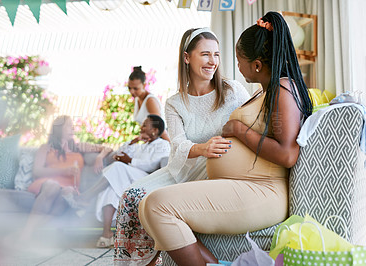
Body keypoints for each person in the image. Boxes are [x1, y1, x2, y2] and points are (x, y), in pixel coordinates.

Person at [138, 11, 313, 266]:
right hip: (245, 186)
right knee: (146, 206)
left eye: (239, 60)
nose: (235, 66)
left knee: (157, 205)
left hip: (263, 192)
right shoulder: (268, 91)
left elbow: (287, 155)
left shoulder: (283, 89)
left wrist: (238, 130)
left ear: (256, 64)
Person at [114, 28, 250, 265]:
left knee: (156, 207)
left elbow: (252, 123)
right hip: (182, 169)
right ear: (187, 57)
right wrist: (202, 148)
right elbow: (177, 143)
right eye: (205, 54)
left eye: (216, 55)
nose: (212, 61)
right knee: (131, 197)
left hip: (216, 171)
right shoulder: (175, 102)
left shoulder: (232, 91)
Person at [19, 115, 112, 241]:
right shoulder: (46, 148)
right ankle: (26, 235)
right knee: (53, 186)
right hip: (46, 185)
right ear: (59, 128)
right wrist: (64, 170)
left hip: (67, 190)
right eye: (69, 125)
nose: (73, 128)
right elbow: (37, 172)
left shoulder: (78, 147)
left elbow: (107, 148)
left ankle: (23, 234)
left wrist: (100, 157)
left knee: (63, 201)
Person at [92, 115, 170, 248]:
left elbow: (152, 165)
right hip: (129, 178)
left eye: (145, 125)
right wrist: (134, 141)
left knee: (117, 167)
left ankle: (87, 195)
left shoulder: (163, 145)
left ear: (155, 130)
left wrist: (129, 161)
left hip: (146, 179)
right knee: (110, 189)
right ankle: (107, 234)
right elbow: (118, 153)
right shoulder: (141, 145)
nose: (141, 127)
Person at [128, 66, 170, 142]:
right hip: (150, 140)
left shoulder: (150, 101)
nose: (132, 92)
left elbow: (159, 127)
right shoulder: (137, 99)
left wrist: (170, 144)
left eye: (135, 88)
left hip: (160, 139)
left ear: (144, 85)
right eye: (129, 88)